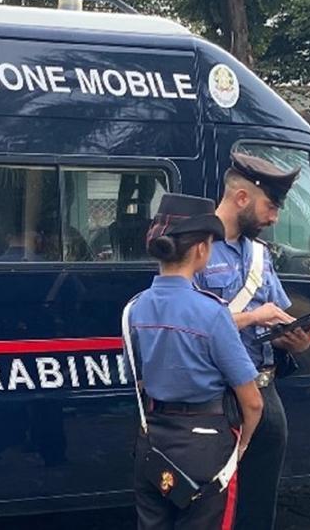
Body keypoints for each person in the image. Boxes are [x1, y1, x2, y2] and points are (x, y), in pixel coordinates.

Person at [125, 193, 265, 530]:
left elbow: (139, 380)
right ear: (202, 249)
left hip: (152, 441)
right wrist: (241, 447)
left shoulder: (134, 309)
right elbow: (253, 402)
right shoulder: (212, 313)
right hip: (205, 445)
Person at [195, 153, 310, 530]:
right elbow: (185, 325)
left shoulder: (260, 255)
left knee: (259, 507)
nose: (275, 218)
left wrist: (294, 339)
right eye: (270, 206)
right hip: (215, 399)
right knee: (212, 506)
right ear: (242, 198)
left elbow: (272, 318)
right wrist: (251, 316)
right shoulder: (194, 248)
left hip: (265, 392)